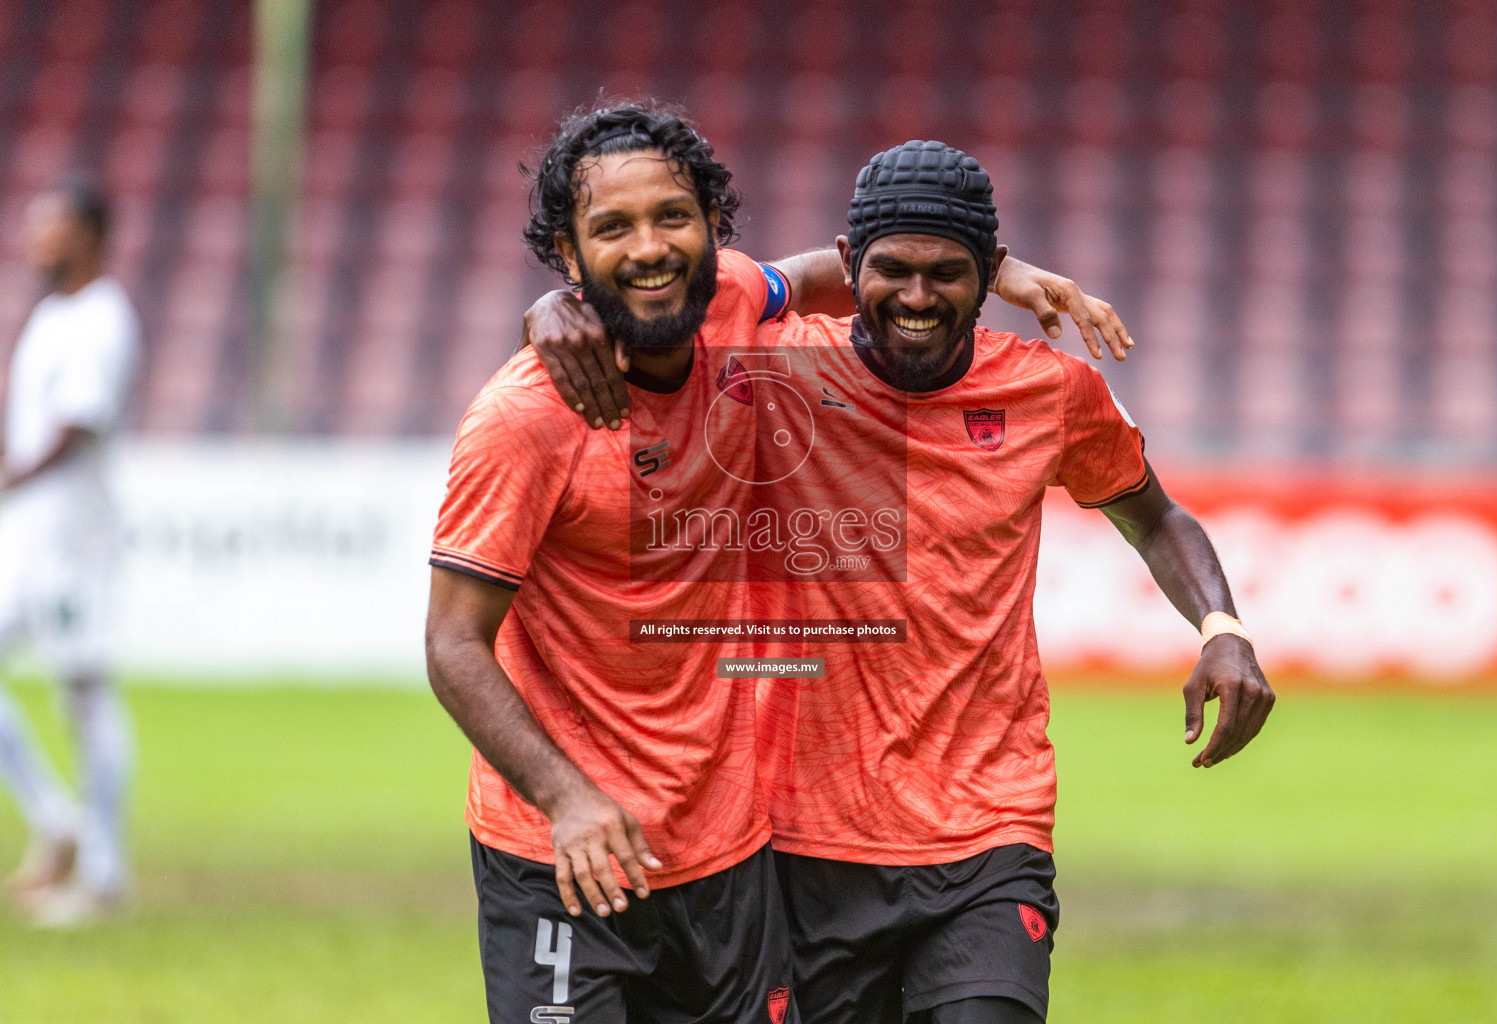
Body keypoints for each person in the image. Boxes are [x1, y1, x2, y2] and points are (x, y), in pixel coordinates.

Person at [530, 140, 1274, 1024]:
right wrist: (552, 307)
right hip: (801, 840)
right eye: (892, 271)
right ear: (850, 266)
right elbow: (645, 291)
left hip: (987, 830)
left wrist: (1222, 626)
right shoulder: (769, 365)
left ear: (988, 274)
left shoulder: (1052, 392)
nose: (917, 299)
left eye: (949, 274)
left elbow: (1155, 516)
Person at [428, 102, 1131, 1024]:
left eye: (671, 218)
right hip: (565, 856)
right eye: (611, 228)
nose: (649, 246)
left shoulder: (727, 300)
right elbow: (452, 644)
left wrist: (1010, 275)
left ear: (712, 231)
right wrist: (568, 799)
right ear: (567, 255)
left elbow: (839, 275)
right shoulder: (525, 417)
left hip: (728, 855)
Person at [0, 175, 139, 927]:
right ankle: (59, 821)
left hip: (72, 538)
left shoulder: (103, 318)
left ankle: (104, 869)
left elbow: (77, 424)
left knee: (83, 691)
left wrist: (13, 472)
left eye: (47, 227)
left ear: (88, 234)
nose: (33, 241)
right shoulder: (53, 315)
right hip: (28, 532)